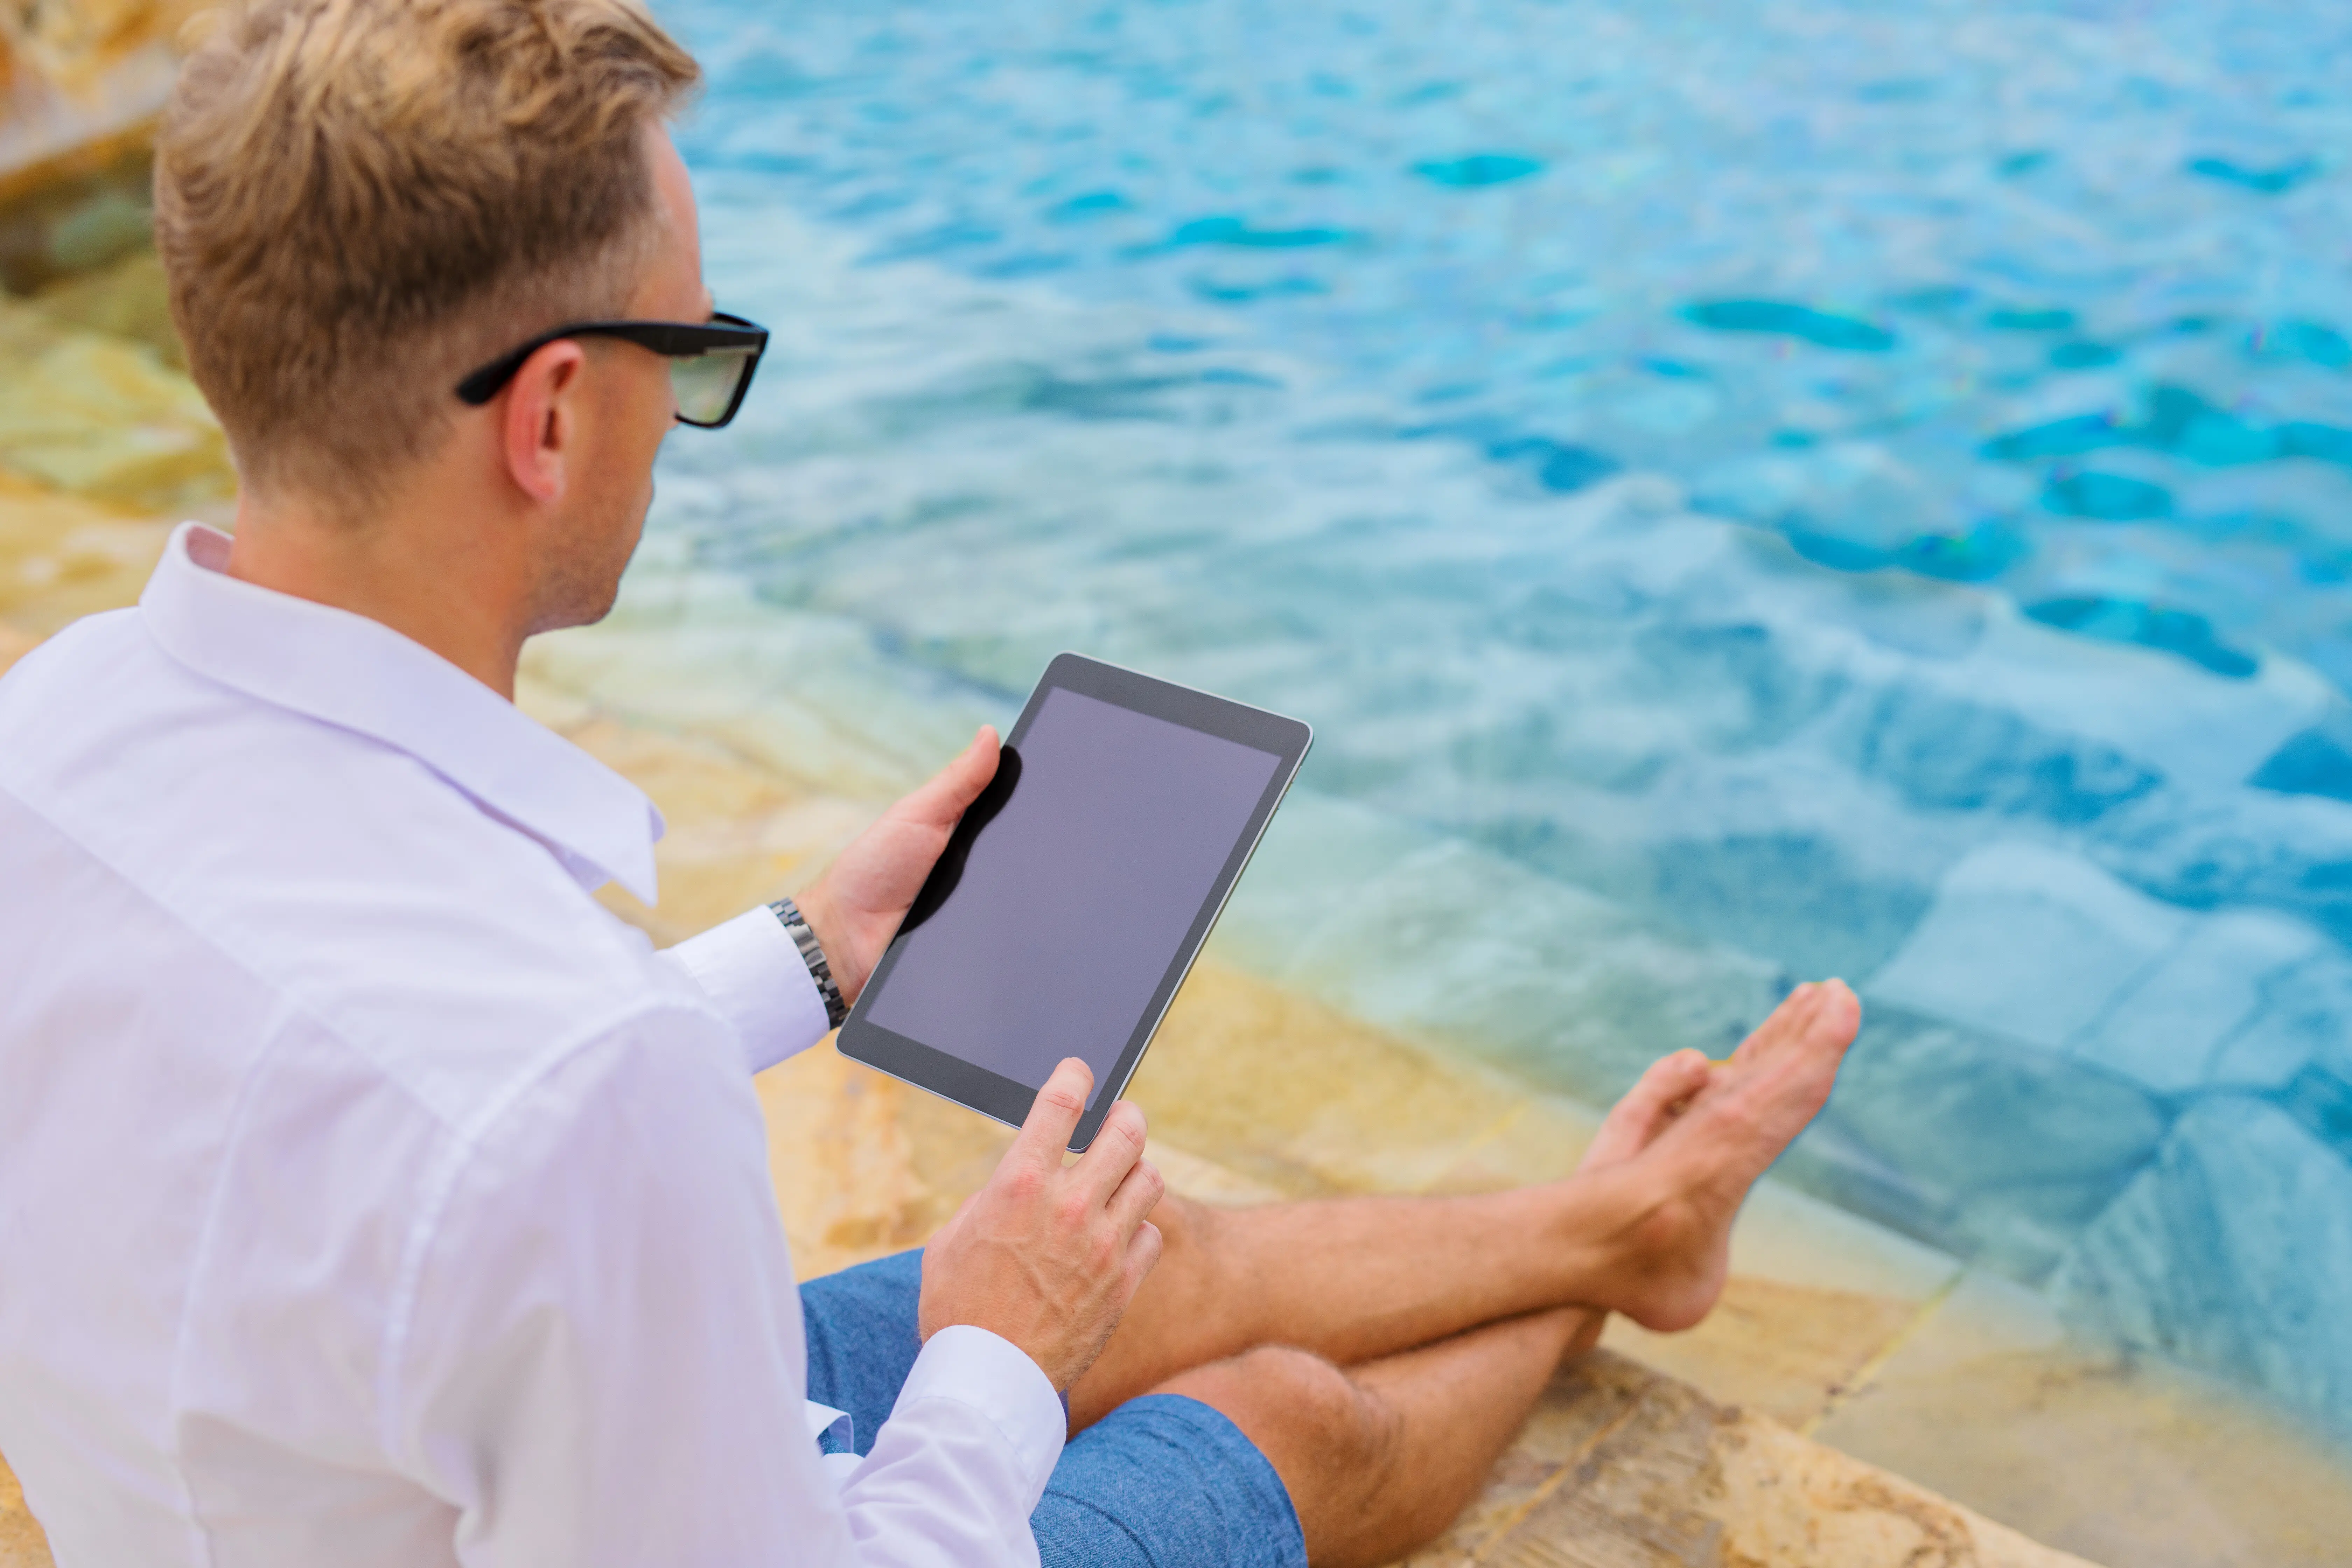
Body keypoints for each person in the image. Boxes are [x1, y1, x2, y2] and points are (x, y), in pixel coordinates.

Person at [0, 2, 1863, 1565]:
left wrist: (807, 952)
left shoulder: (52, 736)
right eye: (694, 356)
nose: (685, 421)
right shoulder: (580, 1091)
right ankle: (1612, 1254)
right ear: (553, 416)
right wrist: (1000, 1360)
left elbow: (389, 1120)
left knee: (1140, 1267)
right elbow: (520, 1116)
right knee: (1278, 1412)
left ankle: (1620, 1230)